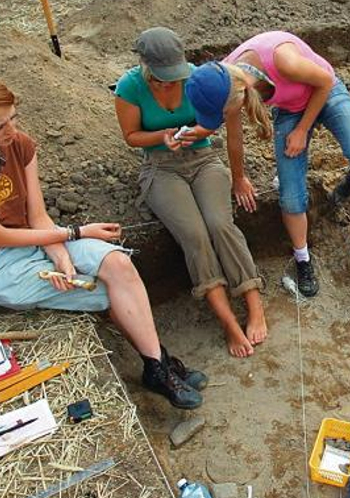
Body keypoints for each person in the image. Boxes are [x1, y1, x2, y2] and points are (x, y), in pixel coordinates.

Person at [0, 74, 205, 409]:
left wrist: (61, 257)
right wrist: (77, 234)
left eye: (12, 118)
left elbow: (37, 216)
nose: (10, 130)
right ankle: (160, 363)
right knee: (109, 290)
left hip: (36, 240)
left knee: (118, 264)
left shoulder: (19, 145)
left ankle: (156, 365)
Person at [182, 31, 350, 298]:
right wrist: (238, 178)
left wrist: (302, 130)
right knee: (291, 197)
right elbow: (235, 138)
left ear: (236, 95)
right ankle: (303, 259)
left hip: (326, 91)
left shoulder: (282, 62)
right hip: (291, 109)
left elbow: (325, 81)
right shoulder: (226, 80)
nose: (224, 117)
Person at [114, 27, 267, 358]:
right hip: (160, 167)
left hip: (203, 158)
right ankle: (228, 322)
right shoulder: (129, 87)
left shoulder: (200, 78)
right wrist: (163, 136)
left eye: (174, 77)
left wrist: (238, 177)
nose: (171, 84)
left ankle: (254, 305)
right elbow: (131, 135)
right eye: (162, 79)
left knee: (220, 224)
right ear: (146, 67)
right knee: (195, 235)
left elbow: (222, 125)